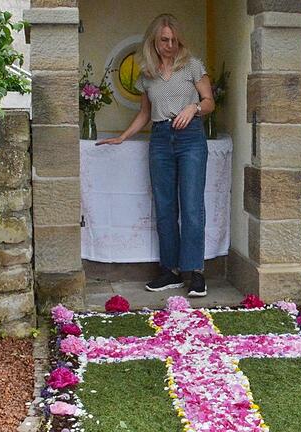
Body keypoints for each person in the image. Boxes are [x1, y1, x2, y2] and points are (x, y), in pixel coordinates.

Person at [97, 13, 215, 298]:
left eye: (174, 40)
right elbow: (145, 114)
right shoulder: (147, 75)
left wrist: (193, 108)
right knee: (164, 207)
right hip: (161, 139)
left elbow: (210, 101)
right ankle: (170, 271)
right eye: (165, 40)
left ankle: (194, 272)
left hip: (190, 139)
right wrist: (123, 137)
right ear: (154, 40)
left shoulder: (192, 66)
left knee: (190, 205)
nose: (170, 45)